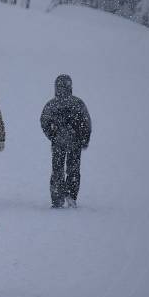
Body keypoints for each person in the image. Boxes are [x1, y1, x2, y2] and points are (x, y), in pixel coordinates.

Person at [40, 74, 91, 208]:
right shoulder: (78, 103)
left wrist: (52, 135)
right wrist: (84, 139)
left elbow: (44, 121)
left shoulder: (52, 104)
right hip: (75, 143)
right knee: (73, 170)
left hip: (58, 143)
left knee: (57, 170)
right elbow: (86, 122)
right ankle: (71, 195)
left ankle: (57, 198)